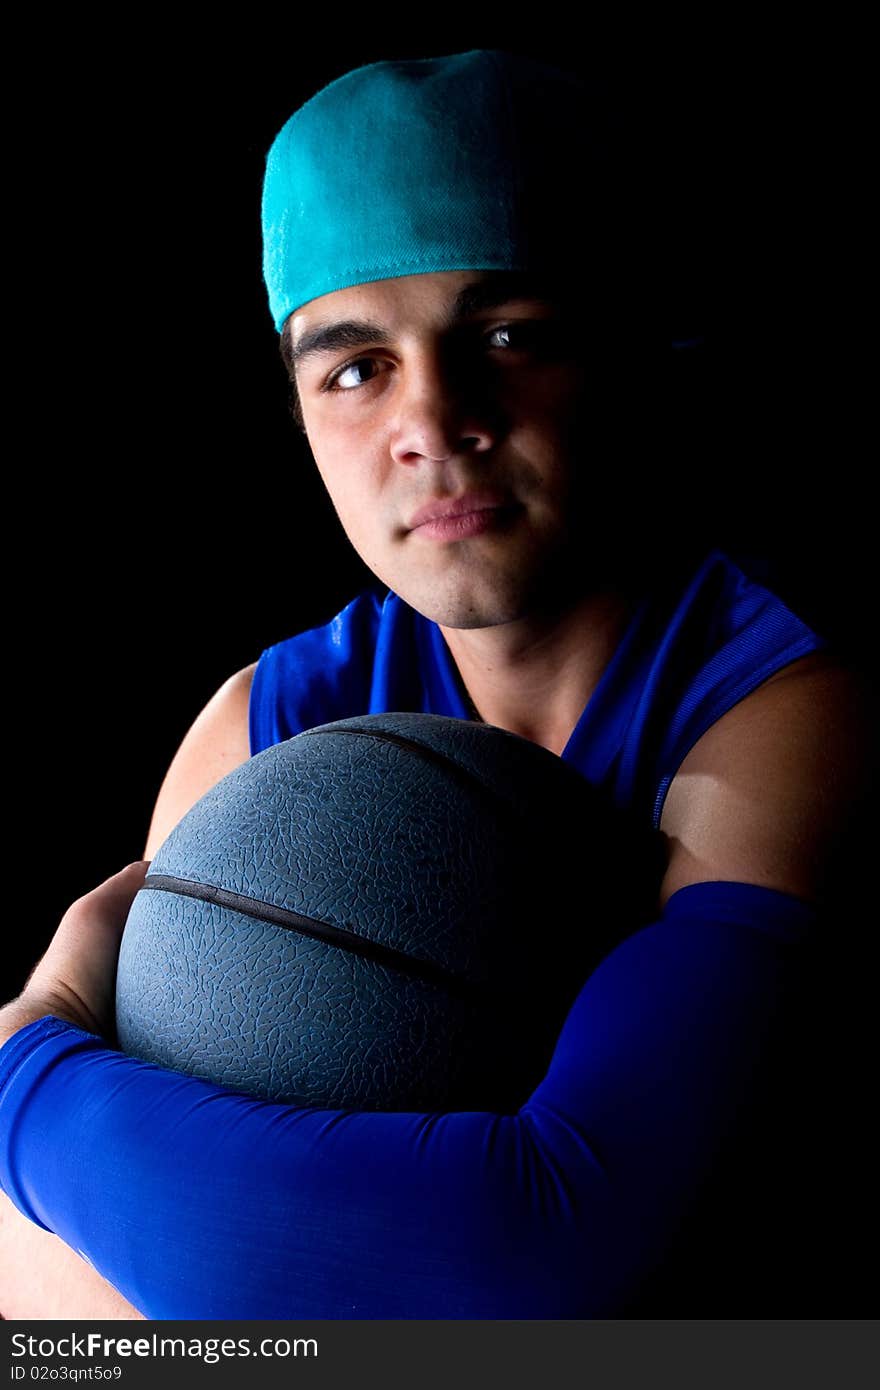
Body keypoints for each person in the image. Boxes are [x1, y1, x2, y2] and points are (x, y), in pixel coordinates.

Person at [0, 50, 873, 1320]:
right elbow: (122, 1286)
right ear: (302, 417)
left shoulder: (786, 718)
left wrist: (27, 1064)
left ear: (632, 350)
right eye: (356, 368)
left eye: (507, 337)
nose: (433, 418)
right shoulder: (261, 726)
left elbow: (550, 1239)